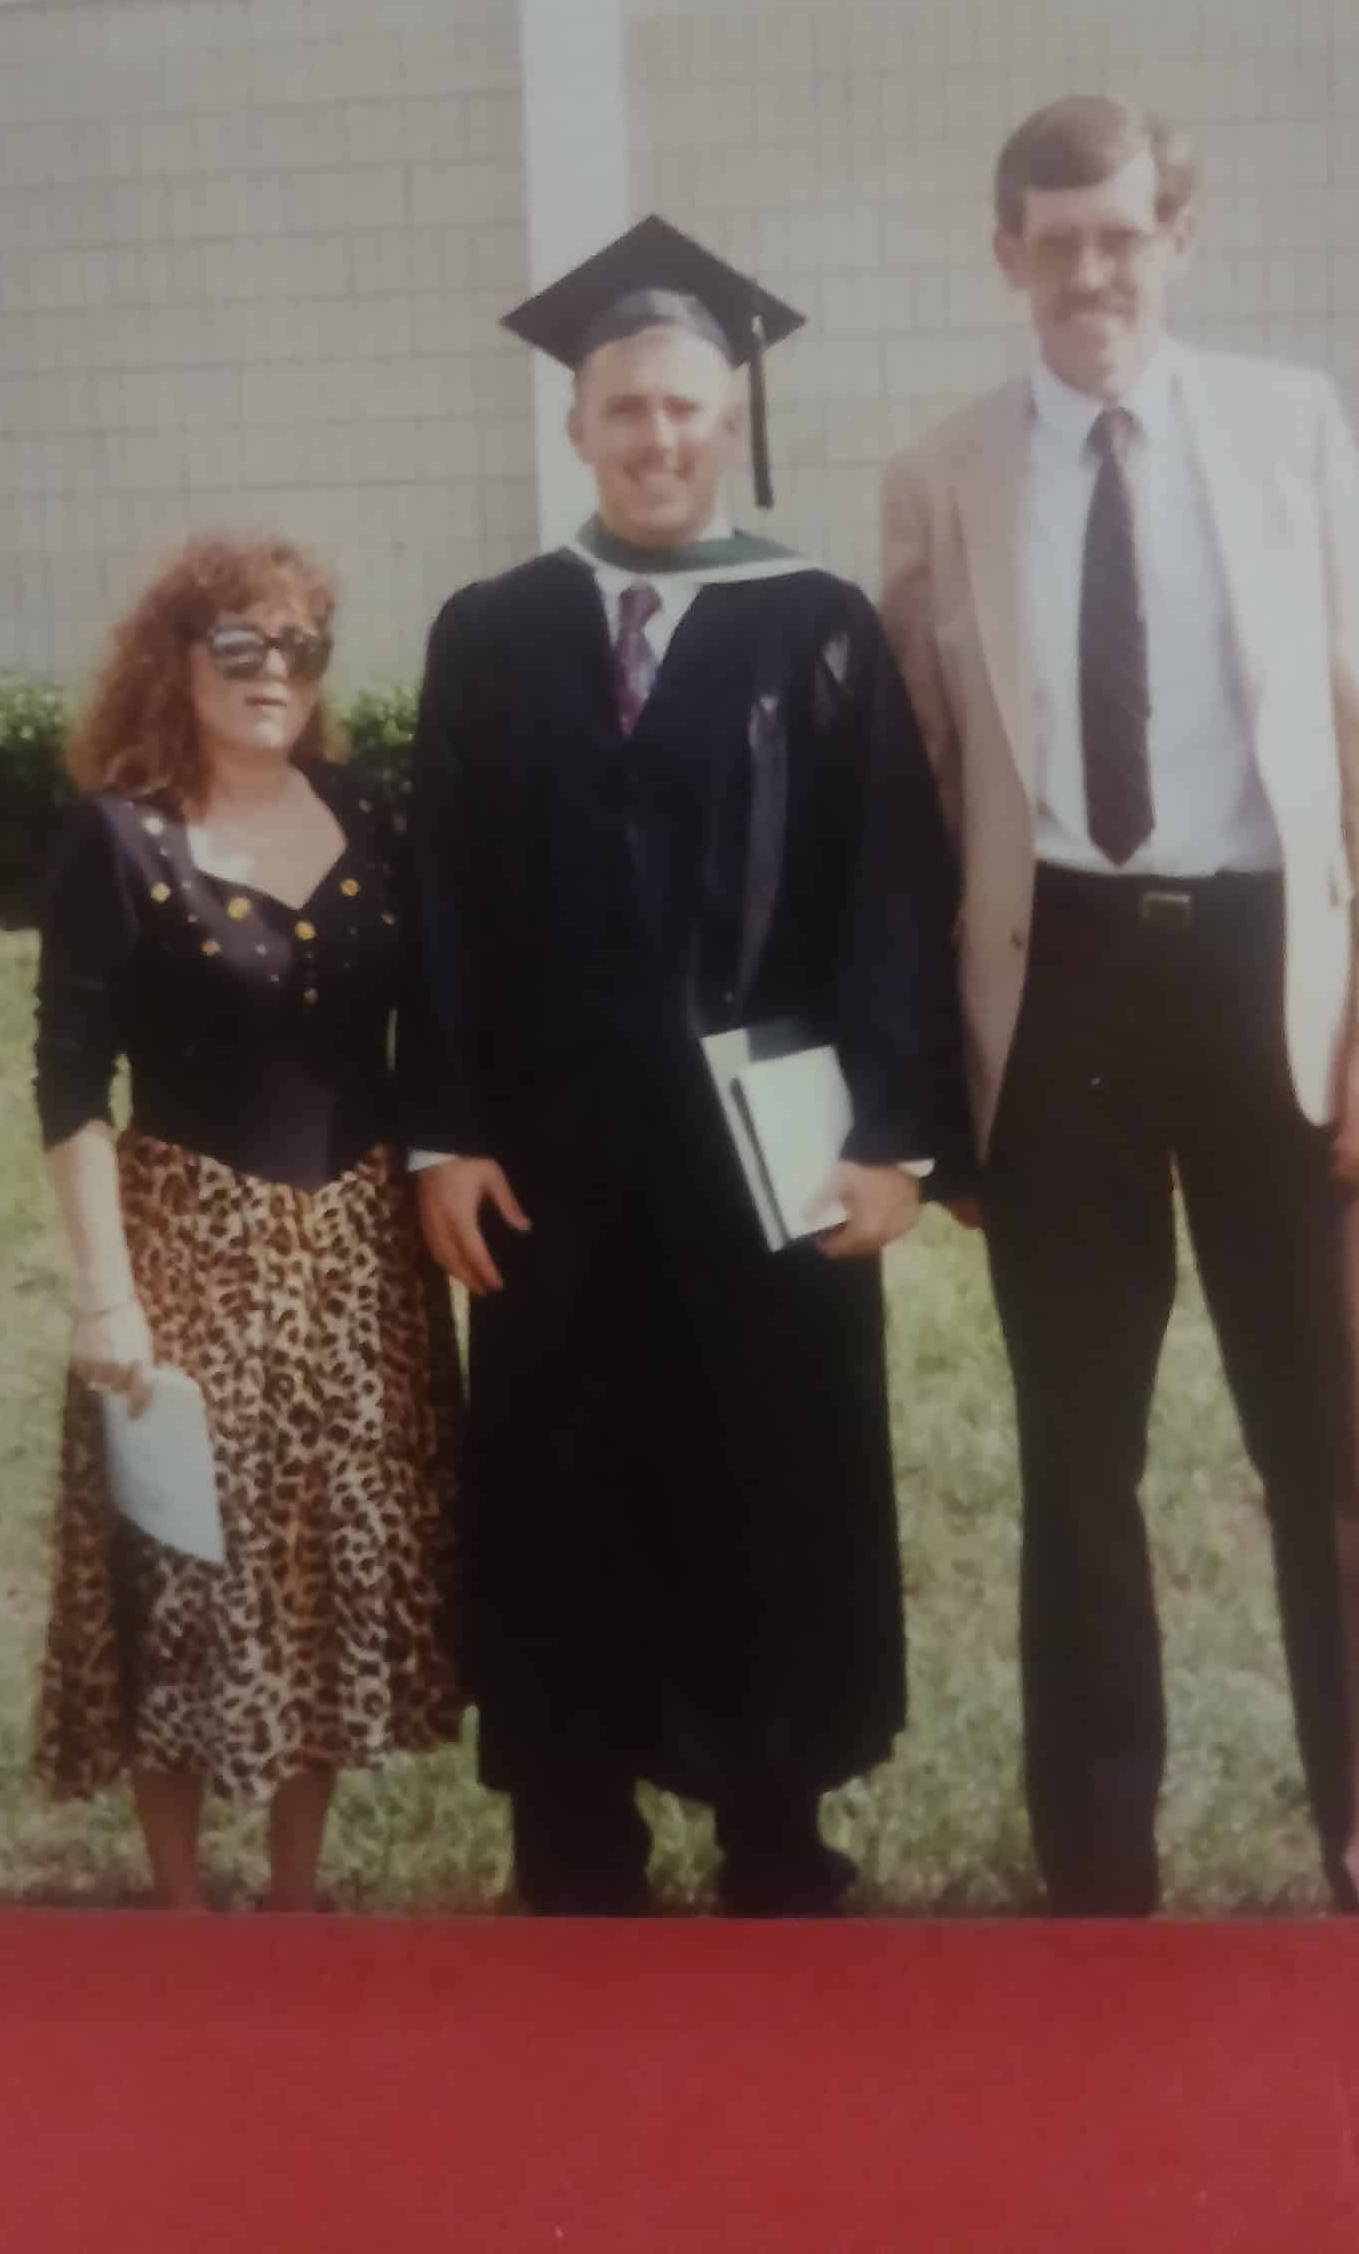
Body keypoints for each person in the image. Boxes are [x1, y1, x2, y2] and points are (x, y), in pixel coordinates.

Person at [879, 96, 1359, 1917]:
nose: (1089, 272)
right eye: (1054, 240)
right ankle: (1099, 1873)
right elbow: (916, 794)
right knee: (1077, 1464)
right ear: (1006, 259)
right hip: (1057, 1009)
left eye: (1121, 235)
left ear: (1175, 242)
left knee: (1334, 1452)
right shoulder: (941, 475)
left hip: (1275, 986)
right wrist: (919, 1078)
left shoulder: (1287, 431)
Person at [401, 215, 968, 1918]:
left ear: (733, 423)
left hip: (767, 1147)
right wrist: (442, 1130)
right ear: (576, 425)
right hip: (554, 1160)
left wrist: (895, 1137)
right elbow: (443, 897)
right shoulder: (492, 632)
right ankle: (575, 1829)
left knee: (768, 1468)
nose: (658, 440)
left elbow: (890, 893)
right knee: (566, 1471)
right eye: (626, 410)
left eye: (689, 412)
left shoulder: (819, 625)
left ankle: (774, 1822)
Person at [33, 533, 462, 1910]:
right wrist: (108, 1293)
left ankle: (291, 1892)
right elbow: (67, 1079)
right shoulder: (119, 835)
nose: (274, 672)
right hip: (189, 1245)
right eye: (241, 647)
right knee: (186, 1572)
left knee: (328, 1567)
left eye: (300, 649)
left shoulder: (368, 816)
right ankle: (180, 1901)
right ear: (178, 661)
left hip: (355, 1256)